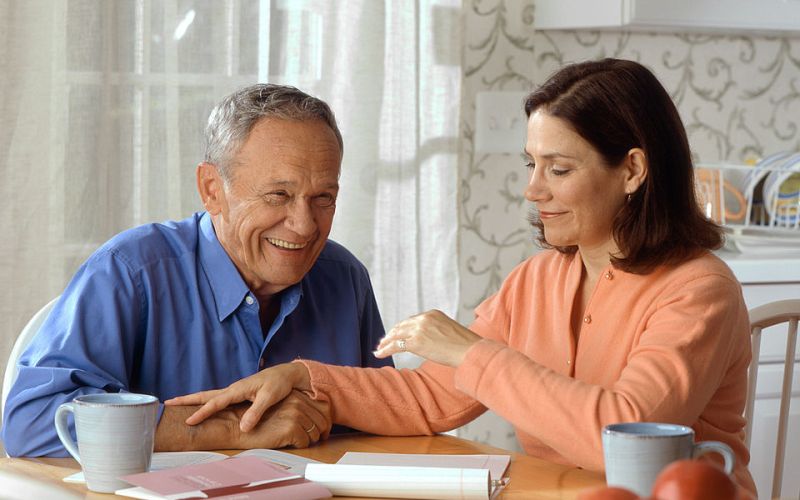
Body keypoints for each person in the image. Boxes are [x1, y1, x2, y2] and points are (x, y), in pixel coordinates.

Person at [169, 59, 758, 496]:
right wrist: (302, 375)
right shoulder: (539, 278)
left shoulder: (698, 289)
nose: (533, 189)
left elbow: (622, 438)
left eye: (559, 168)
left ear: (631, 170)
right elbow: (430, 398)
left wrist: (471, 351)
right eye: (532, 165)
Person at [1, 84, 393, 457]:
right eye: (279, 195)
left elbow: (394, 413)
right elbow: (32, 423)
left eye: (323, 197)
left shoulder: (346, 278)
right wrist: (231, 427)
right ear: (211, 190)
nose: (305, 225)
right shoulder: (130, 272)